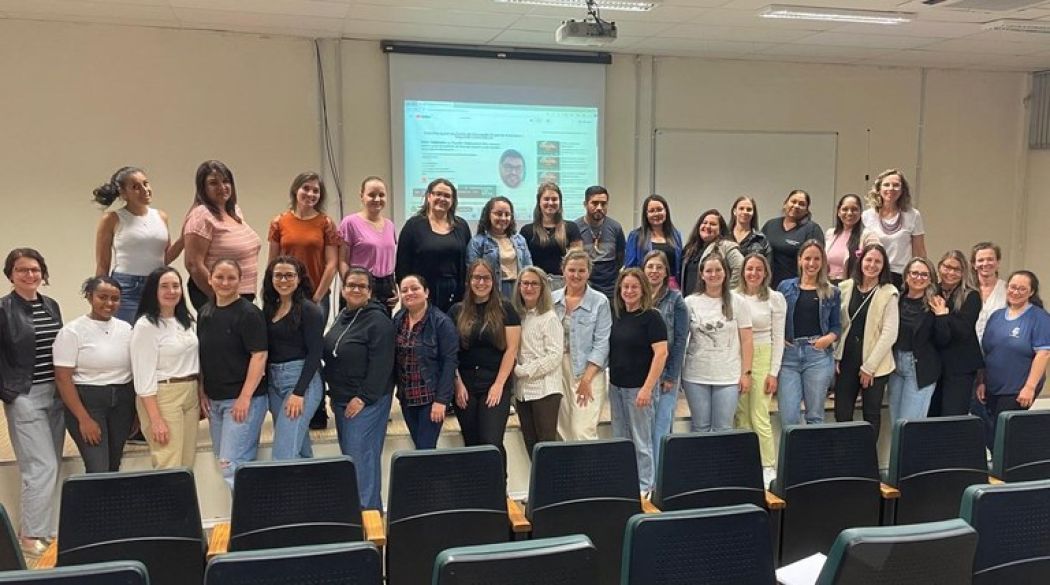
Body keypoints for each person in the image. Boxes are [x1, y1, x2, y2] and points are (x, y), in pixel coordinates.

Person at [0, 249, 63, 557]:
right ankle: (30, 537)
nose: (30, 275)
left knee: (47, 466)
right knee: (41, 466)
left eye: (35, 269)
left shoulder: (51, 305)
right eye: (22, 270)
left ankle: (43, 532)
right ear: (10, 275)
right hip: (24, 395)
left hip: (56, 395)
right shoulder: (3, 310)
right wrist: (8, 393)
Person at [323, 268, 395, 510]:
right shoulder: (343, 315)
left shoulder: (378, 321)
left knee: (362, 462)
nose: (355, 289)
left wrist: (363, 398)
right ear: (343, 290)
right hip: (342, 398)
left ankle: (370, 517)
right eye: (351, 285)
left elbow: (382, 365)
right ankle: (358, 514)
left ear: (370, 291)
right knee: (353, 461)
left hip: (366, 401)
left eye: (361, 286)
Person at [197, 259, 268, 490]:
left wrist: (245, 398)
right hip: (215, 400)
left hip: (242, 401)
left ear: (240, 280)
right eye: (219, 277)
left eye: (231, 278)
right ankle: (248, 511)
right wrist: (202, 391)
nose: (225, 283)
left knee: (231, 464)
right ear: (210, 279)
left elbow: (259, 356)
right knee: (228, 461)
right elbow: (204, 355)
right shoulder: (205, 312)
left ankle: (251, 513)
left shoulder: (249, 314)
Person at [53, 276, 134, 473]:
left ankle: (111, 496)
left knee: (114, 465)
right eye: (102, 297)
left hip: (122, 401)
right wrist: (84, 419)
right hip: (88, 403)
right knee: (98, 467)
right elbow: (63, 378)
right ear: (90, 297)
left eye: (115, 298)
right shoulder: (72, 332)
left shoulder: (126, 329)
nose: (109, 303)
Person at [450, 260, 521, 467]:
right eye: (476, 278)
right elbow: (450, 353)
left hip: (495, 382)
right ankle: (477, 486)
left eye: (486, 278)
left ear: (493, 281)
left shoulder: (506, 309)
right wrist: (458, 384)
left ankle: (500, 485)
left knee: (492, 442)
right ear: (469, 281)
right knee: (472, 444)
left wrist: (499, 385)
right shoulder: (456, 311)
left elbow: (511, 350)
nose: (481, 282)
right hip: (465, 384)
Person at [130, 267, 199, 471]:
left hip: (190, 393)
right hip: (163, 396)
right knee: (168, 463)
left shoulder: (186, 321)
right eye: (164, 286)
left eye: (176, 286)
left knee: (186, 463)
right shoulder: (146, 326)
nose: (171, 291)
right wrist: (156, 419)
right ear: (154, 290)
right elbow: (143, 376)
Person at [92, 166, 180, 323]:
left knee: (156, 330)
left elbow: (164, 258)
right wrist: (100, 296)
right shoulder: (112, 219)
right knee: (127, 331)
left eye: (146, 183)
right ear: (123, 193)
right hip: (127, 286)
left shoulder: (161, 216)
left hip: (157, 284)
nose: (144, 190)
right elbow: (103, 263)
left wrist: (185, 239)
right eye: (135, 187)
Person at [608, 268, 667, 493]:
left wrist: (647, 388)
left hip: (639, 389)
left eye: (634, 287)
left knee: (642, 442)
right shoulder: (617, 315)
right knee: (621, 440)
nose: (629, 291)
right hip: (616, 387)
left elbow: (661, 354)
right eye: (625, 287)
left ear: (643, 289)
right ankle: (625, 484)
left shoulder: (652, 317)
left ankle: (645, 487)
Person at [261, 256, 324, 459]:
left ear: (298, 279)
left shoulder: (309, 309)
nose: (283, 280)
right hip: (275, 384)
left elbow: (315, 353)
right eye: (278, 275)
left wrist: (299, 393)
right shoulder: (269, 309)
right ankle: (309, 480)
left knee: (283, 453)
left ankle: (282, 482)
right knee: (300, 448)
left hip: (301, 382)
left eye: (289, 275)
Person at [682, 254, 753, 433]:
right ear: (702, 274)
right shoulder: (690, 302)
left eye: (718, 270)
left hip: (728, 376)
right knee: (700, 427)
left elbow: (747, 340)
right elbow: (681, 339)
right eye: (709, 271)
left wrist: (746, 374)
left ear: (725, 272)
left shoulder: (739, 302)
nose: (713, 274)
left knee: (723, 428)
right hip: (696, 376)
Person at [834, 244, 898, 439]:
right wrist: (836, 355)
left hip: (875, 364)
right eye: (868, 260)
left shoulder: (889, 292)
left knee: (871, 415)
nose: (872, 265)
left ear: (884, 266)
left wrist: (869, 367)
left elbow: (890, 333)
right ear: (860, 261)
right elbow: (838, 324)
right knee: (842, 414)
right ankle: (844, 456)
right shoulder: (845, 287)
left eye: (878, 261)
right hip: (847, 360)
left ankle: (867, 456)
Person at [977, 270, 1050, 438]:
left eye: (1022, 289)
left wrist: (1029, 388)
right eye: (1012, 287)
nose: (1016, 292)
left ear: (1031, 292)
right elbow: (987, 351)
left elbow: (1043, 354)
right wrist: (982, 381)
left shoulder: (1039, 318)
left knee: (1004, 434)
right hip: (992, 387)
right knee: (991, 434)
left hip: (1017, 389)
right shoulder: (996, 317)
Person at [777, 240, 840, 426]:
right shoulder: (785, 287)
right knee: (788, 417)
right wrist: (780, 338)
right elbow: (776, 318)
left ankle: (813, 447)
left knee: (814, 416)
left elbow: (836, 326)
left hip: (817, 356)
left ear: (823, 261)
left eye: (817, 259)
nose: (811, 263)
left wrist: (827, 339)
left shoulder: (832, 291)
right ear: (799, 260)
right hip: (789, 357)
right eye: (807, 258)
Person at [183, 160, 261, 310]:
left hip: (240, 297)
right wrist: (221, 298)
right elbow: (193, 264)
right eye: (213, 183)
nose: (222, 187)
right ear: (203, 188)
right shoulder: (201, 216)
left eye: (226, 181)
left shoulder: (234, 211)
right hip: (218, 299)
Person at [734, 254, 786, 480]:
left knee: (759, 414)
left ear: (765, 273)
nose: (753, 273)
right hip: (737, 357)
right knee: (741, 414)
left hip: (763, 355)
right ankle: (744, 463)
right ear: (742, 271)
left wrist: (773, 373)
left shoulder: (775, 298)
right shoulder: (733, 297)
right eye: (749, 269)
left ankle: (767, 466)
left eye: (758, 269)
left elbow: (779, 337)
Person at [393, 274, 458, 449]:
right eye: (404, 290)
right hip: (407, 398)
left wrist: (442, 401)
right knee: (419, 449)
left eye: (415, 288)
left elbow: (450, 363)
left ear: (426, 292)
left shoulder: (442, 322)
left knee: (425, 450)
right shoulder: (398, 319)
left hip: (430, 399)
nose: (409, 293)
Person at [552, 250, 611, 442]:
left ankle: (589, 463)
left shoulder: (600, 302)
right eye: (571, 270)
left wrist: (586, 379)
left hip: (588, 372)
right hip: (558, 371)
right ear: (563, 271)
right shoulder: (551, 300)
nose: (576, 275)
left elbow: (602, 343)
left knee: (582, 431)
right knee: (563, 430)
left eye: (581, 271)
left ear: (588, 272)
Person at [268, 171, 340, 322]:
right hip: (286, 295)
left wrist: (317, 298)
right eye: (306, 188)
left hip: (316, 295)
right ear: (296, 190)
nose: (310, 194)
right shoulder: (279, 222)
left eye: (316, 191)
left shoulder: (326, 223)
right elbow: (272, 263)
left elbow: (332, 264)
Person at [888, 257, 950, 424]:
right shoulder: (896, 299)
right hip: (895, 366)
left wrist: (941, 317)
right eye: (914, 273)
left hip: (919, 369)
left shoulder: (935, 303)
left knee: (910, 425)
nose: (918, 278)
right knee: (895, 423)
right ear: (906, 275)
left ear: (930, 279)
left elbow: (943, 340)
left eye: (924, 274)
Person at [395, 178, 471, 313]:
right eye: (438, 194)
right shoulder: (413, 226)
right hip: (421, 294)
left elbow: (467, 263)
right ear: (429, 196)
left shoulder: (461, 226)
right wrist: (408, 292)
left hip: (455, 295)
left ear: (453, 200)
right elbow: (402, 265)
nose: (442, 198)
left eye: (447, 196)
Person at [512, 266, 564, 457]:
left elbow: (555, 356)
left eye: (534, 284)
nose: (529, 288)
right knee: (531, 447)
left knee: (546, 449)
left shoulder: (549, 318)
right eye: (525, 283)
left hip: (545, 390)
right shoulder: (518, 316)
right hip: (523, 392)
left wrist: (524, 370)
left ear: (542, 288)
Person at [643, 250, 688, 464]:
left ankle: (659, 478)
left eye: (659, 267)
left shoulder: (675, 299)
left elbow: (680, 340)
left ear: (666, 272)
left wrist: (671, 375)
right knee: (643, 430)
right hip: (642, 374)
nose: (654, 271)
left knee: (660, 429)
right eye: (650, 266)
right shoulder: (636, 296)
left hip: (666, 374)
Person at [930, 250, 983, 417]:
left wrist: (943, 315)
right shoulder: (931, 291)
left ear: (963, 272)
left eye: (957, 269)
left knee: (952, 415)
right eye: (947, 267)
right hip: (935, 365)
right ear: (939, 267)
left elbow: (963, 329)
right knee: (931, 415)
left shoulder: (971, 295)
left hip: (960, 366)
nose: (951, 272)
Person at [339, 176, 399, 314]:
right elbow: (342, 260)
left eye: (381, 195)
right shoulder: (350, 223)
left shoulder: (390, 225)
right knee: (356, 325)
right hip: (359, 285)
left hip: (386, 284)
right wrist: (350, 286)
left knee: (382, 325)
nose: (377, 199)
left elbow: (388, 260)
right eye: (371, 195)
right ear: (362, 196)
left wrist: (394, 287)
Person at [861, 169, 927, 288]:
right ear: (879, 189)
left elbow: (919, 252)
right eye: (886, 185)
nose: (891, 188)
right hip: (874, 273)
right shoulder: (867, 216)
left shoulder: (913, 215)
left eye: (896, 185)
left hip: (900, 276)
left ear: (902, 190)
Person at [972, 241, 1007, 442]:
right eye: (981, 260)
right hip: (972, 357)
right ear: (974, 264)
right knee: (976, 407)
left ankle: (998, 451)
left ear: (998, 262)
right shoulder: (968, 289)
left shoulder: (1007, 289)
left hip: (998, 358)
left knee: (993, 410)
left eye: (990, 259)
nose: (985, 264)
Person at [519, 183, 582, 290]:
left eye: (554, 199)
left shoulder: (571, 228)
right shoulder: (527, 231)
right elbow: (523, 263)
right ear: (539, 202)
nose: (550, 203)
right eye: (546, 199)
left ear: (560, 202)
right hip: (535, 285)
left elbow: (577, 260)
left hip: (564, 285)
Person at [467, 197, 533, 299]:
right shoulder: (477, 242)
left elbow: (528, 268)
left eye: (507, 214)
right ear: (488, 215)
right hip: (491, 292)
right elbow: (472, 274)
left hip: (518, 291)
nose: (503, 218)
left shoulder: (520, 240)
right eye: (498, 214)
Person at [762, 190, 824, 287]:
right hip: (768, 286)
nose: (796, 206)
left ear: (807, 210)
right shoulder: (770, 225)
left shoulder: (812, 230)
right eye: (793, 201)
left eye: (801, 204)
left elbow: (816, 262)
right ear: (785, 204)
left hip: (795, 288)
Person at [575, 185, 625, 298]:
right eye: (594, 203)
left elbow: (620, 257)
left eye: (603, 204)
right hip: (584, 286)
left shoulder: (615, 227)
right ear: (585, 204)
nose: (599, 207)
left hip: (610, 288)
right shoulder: (575, 228)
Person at [625, 195, 684, 290]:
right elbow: (630, 268)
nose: (656, 214)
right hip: (645, 287)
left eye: (659, 210)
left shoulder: (676, 235)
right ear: (646, 214)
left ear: (666, 211)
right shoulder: (635, 236)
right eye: (652, 211)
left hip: (671, 288)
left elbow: (679, 266)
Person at [680, 209, 744, 295]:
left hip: (713, 300)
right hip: (689, 300)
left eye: (713, 224)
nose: (707, 226)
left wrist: (727, 292)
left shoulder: (726, 246)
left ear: (720, 229)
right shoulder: (689, 249)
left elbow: (741, 267)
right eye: (704, 223)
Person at [825, 194, 879, 284]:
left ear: (860, 212)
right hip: (827, 285)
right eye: (845, 209)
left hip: (851, 286)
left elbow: (876, 261)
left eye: (854, 209)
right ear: (838, 212)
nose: (849, 213)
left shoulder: (868, 236)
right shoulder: (831, 233)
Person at [729, 196, 772, 261]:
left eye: (749, 209)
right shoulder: (724, 236)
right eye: (741, 208)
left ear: (753, 213)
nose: (745, 212)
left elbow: (767, 265)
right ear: (734, 211)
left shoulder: (760, 239)